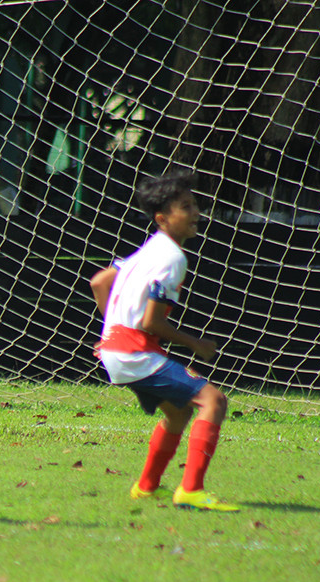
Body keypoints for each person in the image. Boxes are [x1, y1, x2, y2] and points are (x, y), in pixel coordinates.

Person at [90, 170, 237, 512]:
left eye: (194, 204)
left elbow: (99, 282)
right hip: (133, 352)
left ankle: (146, 487)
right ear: (162, 218)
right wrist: (196, 344)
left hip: (117, 348)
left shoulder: (149, 249)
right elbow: (151, 322)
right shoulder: (173, 258)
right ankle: (191, 490)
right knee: (213, 401)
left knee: (178, 412)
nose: (196, 212)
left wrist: (110, 332)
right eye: (185, 207)